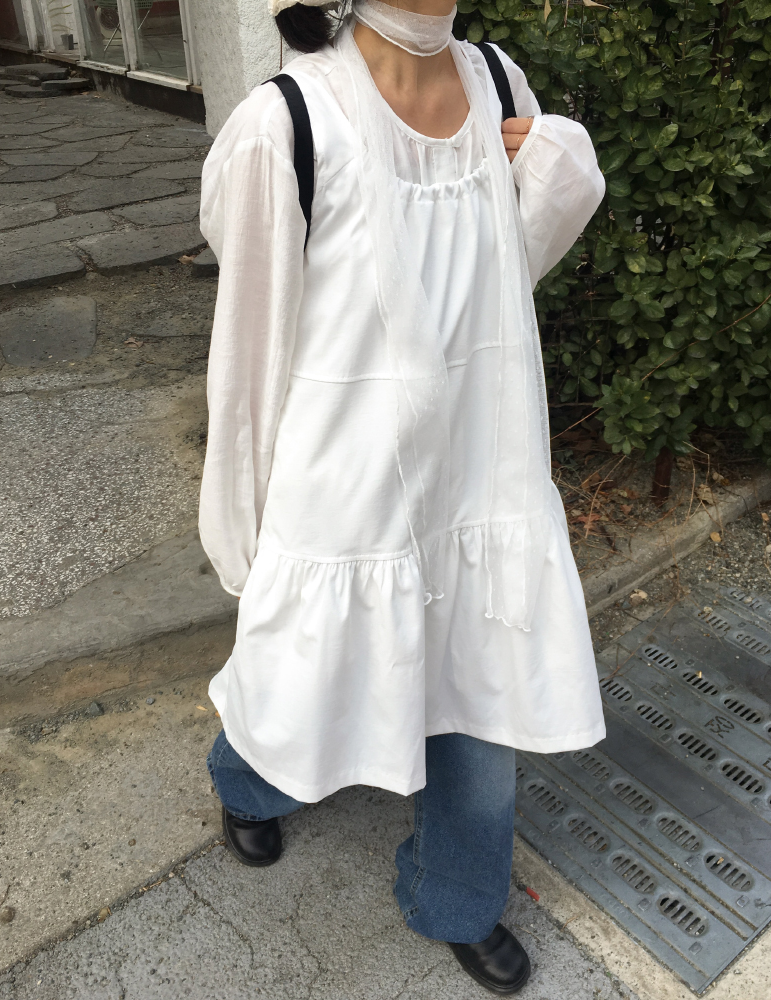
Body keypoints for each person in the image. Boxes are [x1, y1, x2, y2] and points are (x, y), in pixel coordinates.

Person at [199, 0, 606, 993]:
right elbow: (249, 353)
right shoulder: (285, 124)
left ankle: (455, 893)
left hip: (478, 467)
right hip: (345, 482)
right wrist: (242, 526)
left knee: (478, 681)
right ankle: (248, 779)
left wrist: (564, 177)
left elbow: (499, 275)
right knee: (301, 675)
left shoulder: (499, 85)